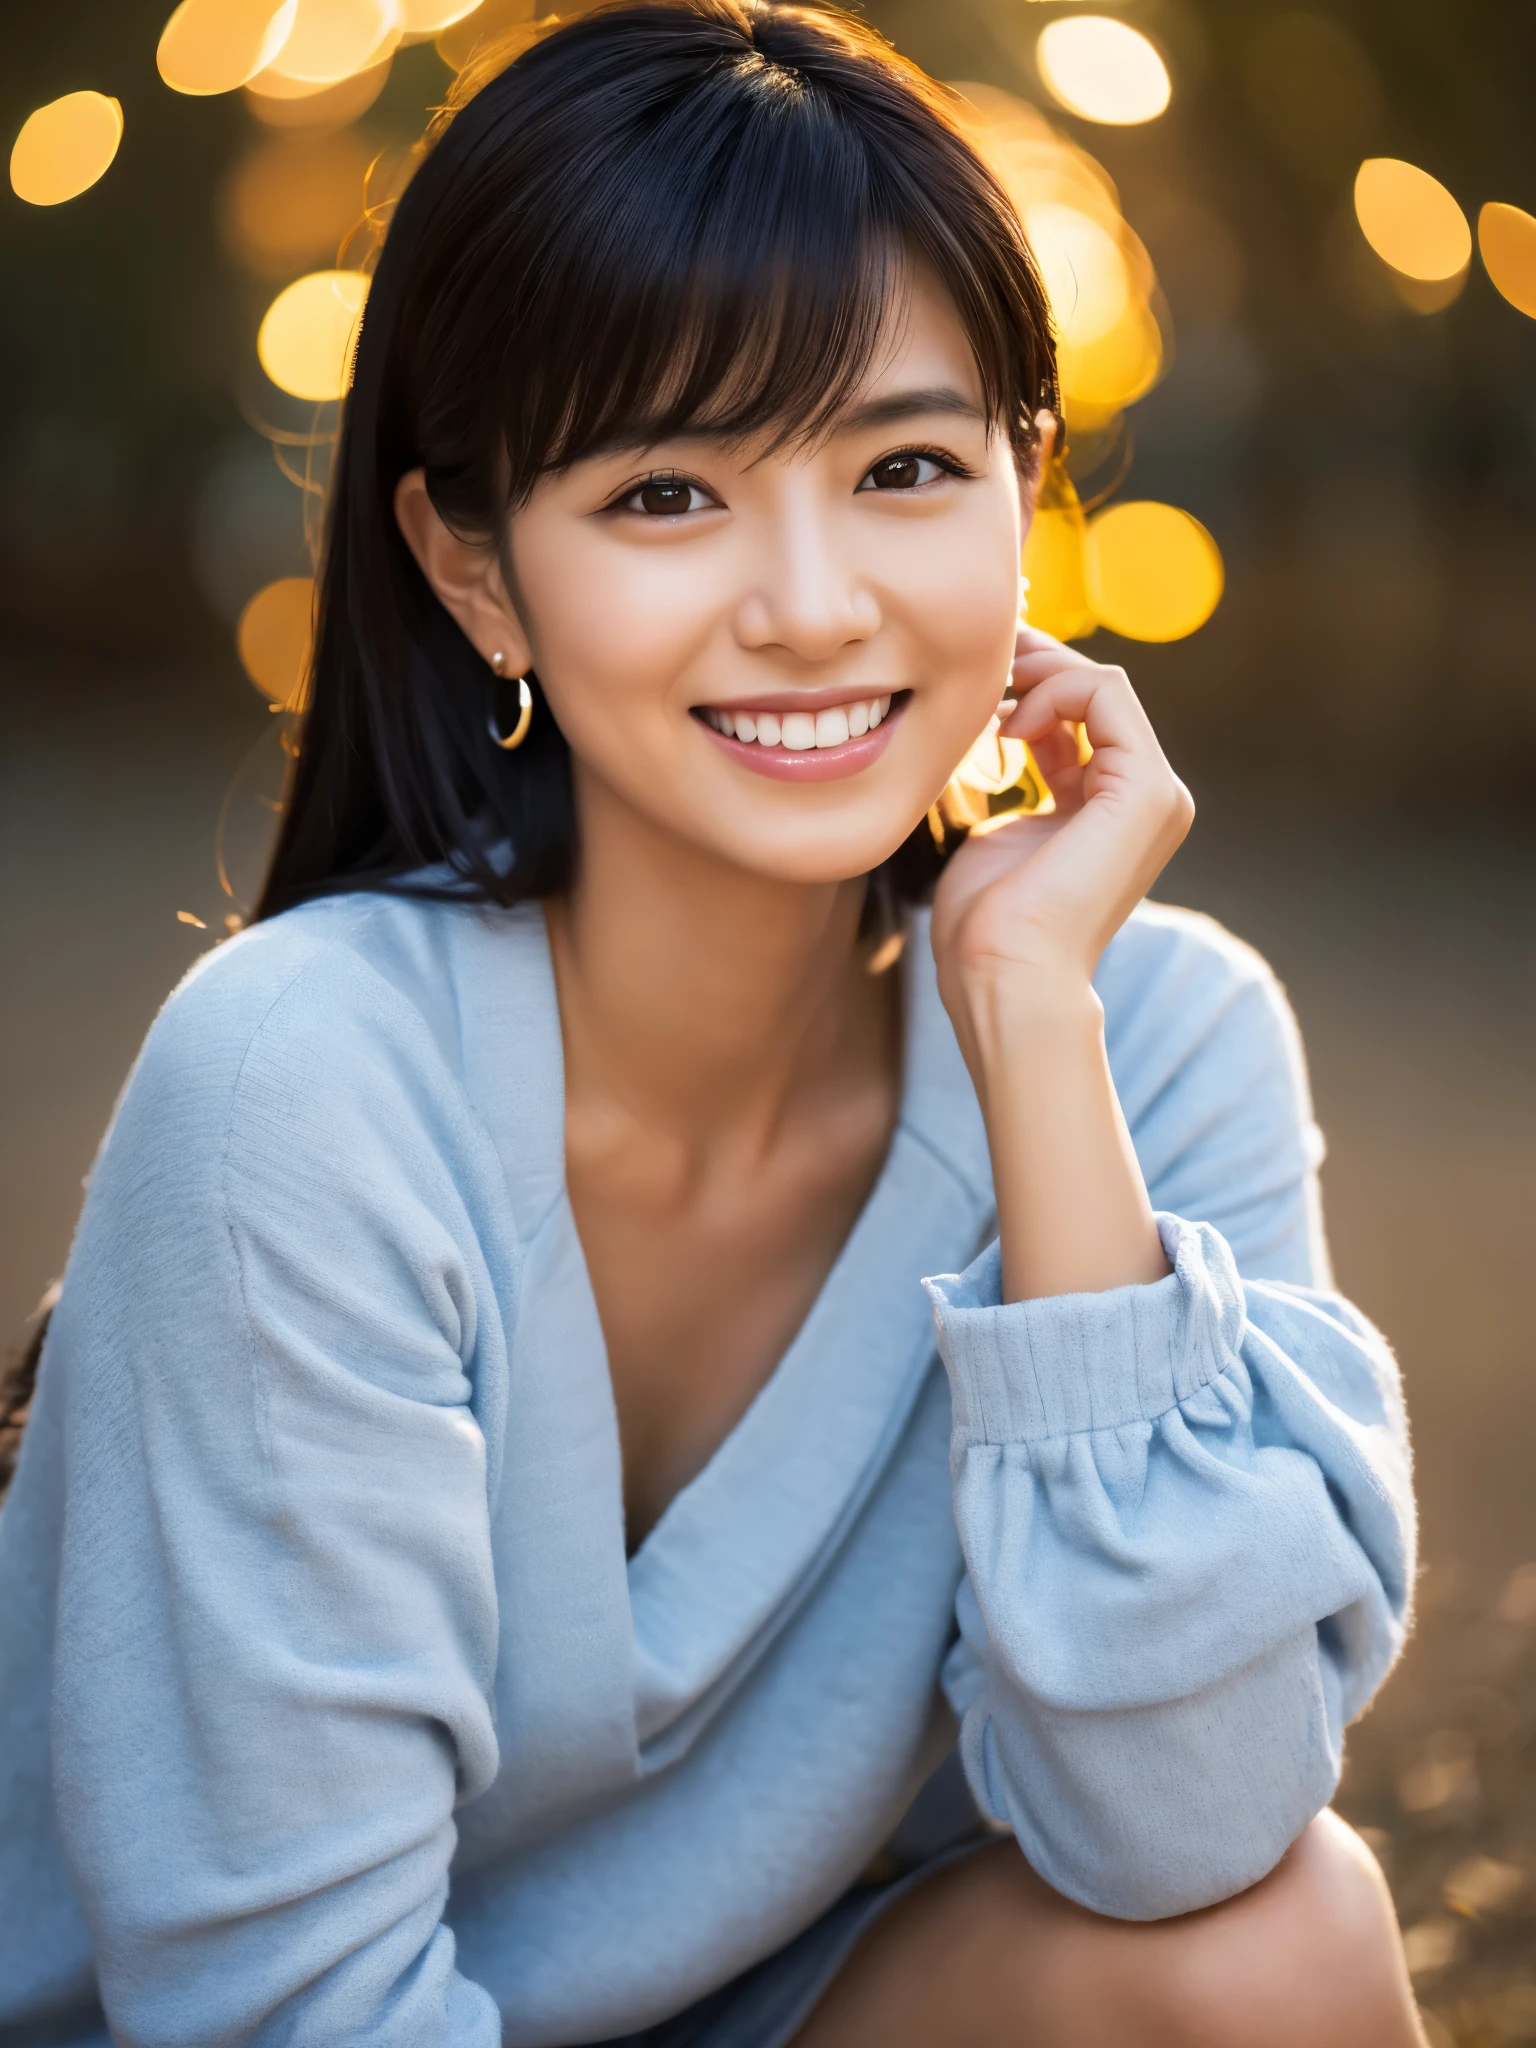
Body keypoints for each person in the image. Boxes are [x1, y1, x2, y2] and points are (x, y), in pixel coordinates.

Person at [0, 4, 1423, 2042]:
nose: (815, 601)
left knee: (1285, 1934)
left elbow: (1186, 1821)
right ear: (474, 568)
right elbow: (279, 2008)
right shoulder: (304, 1081)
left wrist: (1027, 1026)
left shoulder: (1152, 1030)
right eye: (670, 493)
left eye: (908, 467)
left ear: (1027, 487)